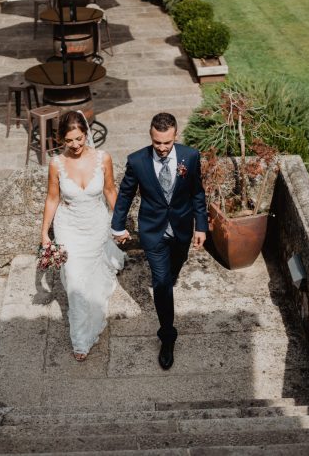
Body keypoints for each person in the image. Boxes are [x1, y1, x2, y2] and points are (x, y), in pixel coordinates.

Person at [111, 112, 208, 370]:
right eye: (157, 143)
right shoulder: (137, 161)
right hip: (153, 232)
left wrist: (201, 226)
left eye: (167, 143)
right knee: (162, 282)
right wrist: (117, 225)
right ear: (151, 137)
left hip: (182, 229)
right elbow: (125, 194)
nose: (163, 149)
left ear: (175, 136)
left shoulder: (190, 156)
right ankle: (167, 336)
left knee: (176, 266)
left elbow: (197, 193)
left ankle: (170, 275)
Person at [40, 110, 124, 361]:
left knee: (94, 277)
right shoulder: (56, 164)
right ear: (60, 140)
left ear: (86, 134)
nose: (75, 145)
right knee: (75, 281)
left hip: (97, 223)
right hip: (69, 227)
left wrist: (118, 225)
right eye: (69, 141)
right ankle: (80, 340)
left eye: (79, 138)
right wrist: (45, 232)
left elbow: (110, 191)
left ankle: (98, 297)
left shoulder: (103, 158)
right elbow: (53, 197)